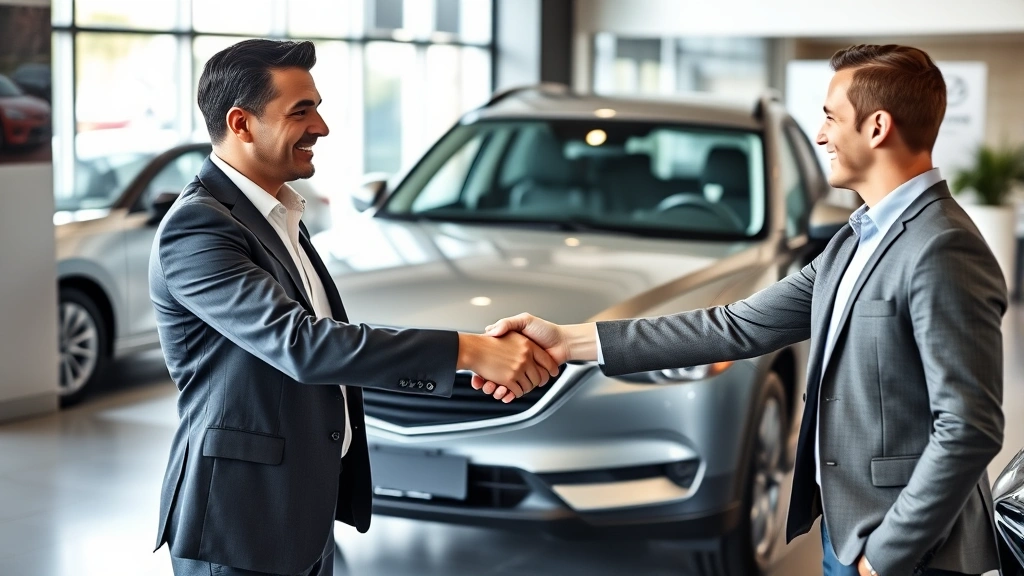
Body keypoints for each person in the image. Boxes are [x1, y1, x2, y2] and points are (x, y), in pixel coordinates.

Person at [477, 44, 1005, 576]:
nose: (821, 136)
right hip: (851, 531)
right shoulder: (858, 239)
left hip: (911, 554)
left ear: (877, 128)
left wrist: (885, 555)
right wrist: (568, 341)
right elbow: (736, 325)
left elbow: (969, 426)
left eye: (830, 118)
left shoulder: (942, 248)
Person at [150, 39, 558, 576]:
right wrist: (469, 350)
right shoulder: (199, 227)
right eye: (302, 111)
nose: (321, 127)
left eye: (316, 108)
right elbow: (303, 345)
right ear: (242, 124)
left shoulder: (275, 214)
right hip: (240, 520)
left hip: (298, 508)